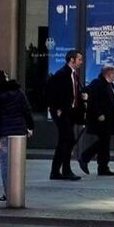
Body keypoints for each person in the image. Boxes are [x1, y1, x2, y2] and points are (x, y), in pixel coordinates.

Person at [0, 70, 33, 205]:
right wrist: (29, 126)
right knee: (18, 163)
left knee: (6, 164)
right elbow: (26, 109)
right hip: (19, 130)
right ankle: (17, 192)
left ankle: (9, 192)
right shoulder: (17, 92)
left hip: (4, 132)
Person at [45, 49, 85, 181]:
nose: (81, 62)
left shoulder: (74, 75)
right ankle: (65, 170)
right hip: (62, 113)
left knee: (65, 141)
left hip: (70, 113)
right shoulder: (61, 74)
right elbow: (53, 93)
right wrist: (58, 108)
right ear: (72, 60)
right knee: (68, 139)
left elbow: (73, 93)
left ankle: (55, 171)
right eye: (79, 59)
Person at [82, 63, 114, 176]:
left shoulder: (110, 85)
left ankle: (102, 166)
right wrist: (98, 114)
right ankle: (87, 158)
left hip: (110, 119)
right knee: (103, 142)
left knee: (104, 142)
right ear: (108, 74)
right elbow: (93, 100)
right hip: (102, 119)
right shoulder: (98, 83)